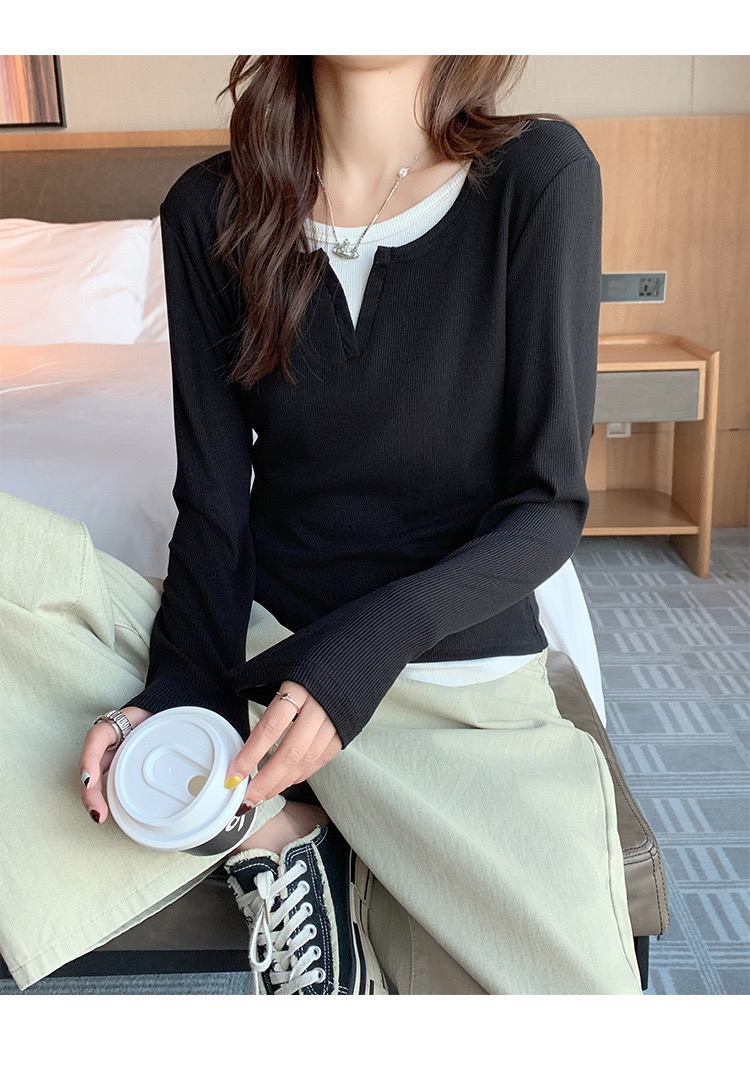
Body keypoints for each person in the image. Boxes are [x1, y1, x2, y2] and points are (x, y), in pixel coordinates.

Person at [0, 55, 643, 996]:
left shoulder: (539, 174)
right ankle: (273, 833)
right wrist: (178, 688)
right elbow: (214, 503)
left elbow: (547, 508)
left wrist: (357, 658)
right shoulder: (209, 208)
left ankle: (287, 833)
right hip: (265, 662)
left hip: (452, 688)